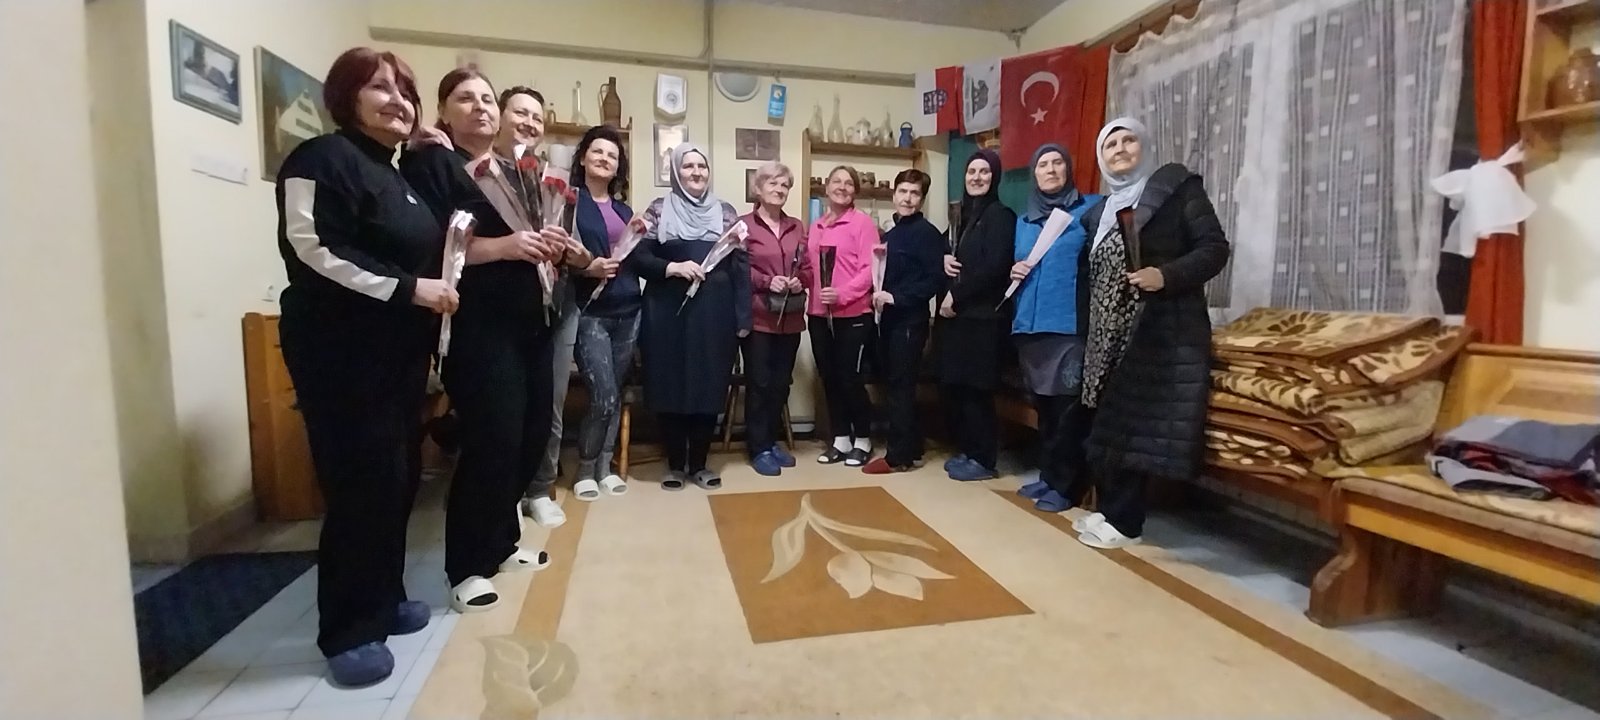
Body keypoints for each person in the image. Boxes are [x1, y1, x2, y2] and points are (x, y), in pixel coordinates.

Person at [274, 46, 453, 687]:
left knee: (397, 479)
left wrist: (432, 151)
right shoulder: (321, 158)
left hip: (398, 354)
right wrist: (408, 289)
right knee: (358, 488)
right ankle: (349, 630)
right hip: (340, 352)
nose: (397, 100)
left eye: (406, 91)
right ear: (346, 96)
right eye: (380, 87)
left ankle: (383, 597)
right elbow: (312, 249)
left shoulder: (397, 174)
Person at [399, 70, 573, 614]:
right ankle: (467, 566)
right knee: (491, 440)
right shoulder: (433, 163)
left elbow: (530, 238)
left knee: (528, 435)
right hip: (478, 325)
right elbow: (433, 246)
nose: (480, 108)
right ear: (443, 111)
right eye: (465, 99)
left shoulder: (510, 171)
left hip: (531, 320)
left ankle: (502, 542)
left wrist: (550, 244)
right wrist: (506, 247)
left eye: (486, 99)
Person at [1074, 117, 1231, 549]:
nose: (1120, 149)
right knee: (1104, 421)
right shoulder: (1098, 213)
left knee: (1131, 425)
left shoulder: (1177, 191)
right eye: (1110, 145)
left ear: (1144, 147)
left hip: (1154, 330)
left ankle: (1126, 523)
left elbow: (1214, 249)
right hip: (1103, 333)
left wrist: (1165, 275)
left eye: (1129, 140)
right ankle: (1110, 509)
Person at [632, 143, 749, 489]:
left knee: (708, 385)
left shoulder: (726, 213)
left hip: (715, 314)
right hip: (666, 312)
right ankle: (674, 464)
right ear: (675, 172)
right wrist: (671, 267)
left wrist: (743, 318)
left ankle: (699, 463)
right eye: (688, 166)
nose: (696, 172)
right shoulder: (657, 210)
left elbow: (741, 266)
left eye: (702, 166)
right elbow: (637, 257)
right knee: (669, 384)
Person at [1009, 144, 1101, 512]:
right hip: (1031, 327)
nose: (1050, 170)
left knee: (1067, 411)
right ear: (1034, 174)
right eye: (1042, 164)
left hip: (1068, 326)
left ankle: (1066, 485)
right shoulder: (1024, 220)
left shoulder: (1090, 209)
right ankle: (1049, 475)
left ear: (1068, 169)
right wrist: (1014, 270)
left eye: (1057, 162)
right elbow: (1020, 263)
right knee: (1044, 409)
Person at [567, 124, 639, 499]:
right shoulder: (569, 202)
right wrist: (587, 268)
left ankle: (605, 467)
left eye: (612, 155)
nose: (604, 159)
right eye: (597, 152)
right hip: (590, 311)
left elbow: (637, 258)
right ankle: (585, 469)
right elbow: (560, 256)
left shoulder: (625, 210)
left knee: (617, 391)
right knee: (604, 395)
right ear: (583, 158)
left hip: (629, 310)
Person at [936, 149, 1015, 481]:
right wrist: (942, 259)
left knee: (978, 392)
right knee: (959, 389)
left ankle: (984, 459)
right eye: (972, 172)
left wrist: (956, 294)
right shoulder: (961, 217)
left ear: (994, 178)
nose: (977, 177)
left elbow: (995, 268)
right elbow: (945, 253)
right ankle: (969, 451)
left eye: (984, 172)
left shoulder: (1001, 216)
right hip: (958, 321)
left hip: (984, 321)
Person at [863, 169, 944, 474]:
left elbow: (933, 280)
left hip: (910, 322)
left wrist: (896, 297)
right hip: (888, 322)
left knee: (901, 387)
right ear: (894, 194)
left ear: (922, 199)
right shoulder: (891, 233)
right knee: (895, 385)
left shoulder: (927, 234)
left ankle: (898, 457)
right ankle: (914, 446)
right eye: (903, 192)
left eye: (915, 194)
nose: (908, 199)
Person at [740, 161, 810, 477]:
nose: (779, 190)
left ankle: (770, 442)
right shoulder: (743, 225)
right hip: (758, 318)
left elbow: (808, 268)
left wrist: (799, 280)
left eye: (784, 185)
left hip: (790, 318)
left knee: (781, 385)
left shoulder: (797, 226)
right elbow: (737, 269)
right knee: (759, 384)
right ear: (758, 188)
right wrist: (768, 281)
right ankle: (758, 448)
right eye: (773, 183)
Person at [807, 166, 880, 467]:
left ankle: (862, 438)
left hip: (853, 314)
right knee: (830, 378)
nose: (842, 187)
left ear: (855, 191)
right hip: (818, 314)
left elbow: (870, 270)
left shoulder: (863, 223)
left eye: (849, 183)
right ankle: (840, 439)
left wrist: (843, 294)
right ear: (826, 188)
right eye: (836, 181)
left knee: (850, 379)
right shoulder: (816, 226)